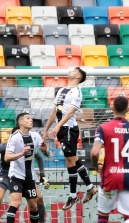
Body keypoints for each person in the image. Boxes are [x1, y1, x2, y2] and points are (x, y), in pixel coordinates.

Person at [43, 67, 97, 211]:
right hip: (61, 129)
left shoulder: (77, 92)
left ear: (78, 76)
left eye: (73, 70)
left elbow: (71, 111)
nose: (70, 71)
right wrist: (47, 128)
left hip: (68, 129)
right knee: (71, 160)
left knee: (70, 160)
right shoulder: (61, 90)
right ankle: (89, 188)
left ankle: (75, 194)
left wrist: (58, 126)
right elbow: (54, 111)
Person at [4, 112, 50, 223]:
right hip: (16, 175)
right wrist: (21, 153)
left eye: (31, 118)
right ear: (21, 122)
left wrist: (45, 150)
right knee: (16, 203)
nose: (31, 120)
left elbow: (45, 153)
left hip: (30, 177)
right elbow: (7, 157)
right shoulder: (14, 137)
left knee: (34, 206)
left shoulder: (35, 136)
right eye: (28, 118)